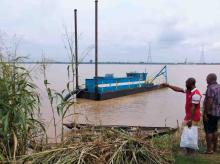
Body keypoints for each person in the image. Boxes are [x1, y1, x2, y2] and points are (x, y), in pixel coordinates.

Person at [161, 78, 202, 153]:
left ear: (191, 84)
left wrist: (190, 120)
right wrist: (168, 86)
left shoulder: (196, 94)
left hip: (193, 118)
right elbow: (179, 89)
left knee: (191, 134)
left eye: (187, 83)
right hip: (189, 117)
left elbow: (193, 107)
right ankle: (187, 150)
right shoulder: (189, 91)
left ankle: (190, 152)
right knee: (187, 133)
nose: (185, 85)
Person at [203, 73, 220, 154]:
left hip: (210, 113)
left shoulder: (210, 88)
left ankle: (209, 150)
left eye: (207, 78)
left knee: (208, 131)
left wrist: (205, 113)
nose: (206, 80)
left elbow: (209, 102)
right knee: (215, 130)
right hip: (217, 113)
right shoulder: (219, 87)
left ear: (210, 79)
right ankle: (215, 148)